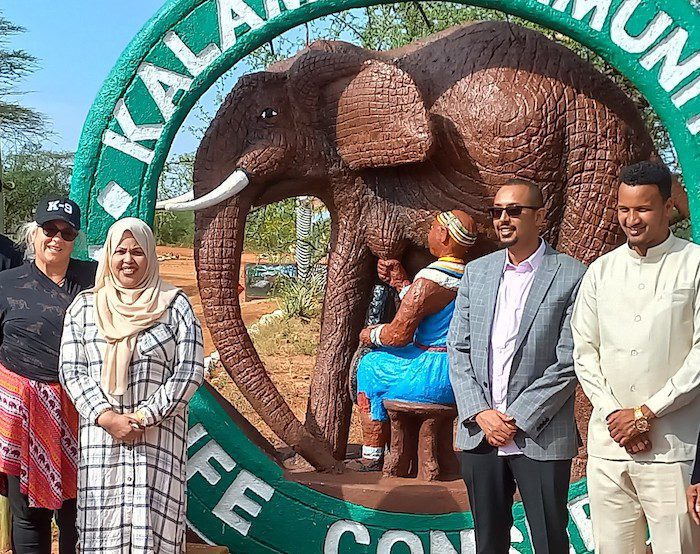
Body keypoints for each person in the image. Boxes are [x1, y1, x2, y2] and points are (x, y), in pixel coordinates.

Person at [447, 179, 586, 554]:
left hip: (539, 436)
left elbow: (568, 360)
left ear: (539, 216)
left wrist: (515, 419)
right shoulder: (477, 273)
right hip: (481, 436)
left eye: (514, 211)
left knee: (549, 542)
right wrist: (481, 413)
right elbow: (457, 350)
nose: (503, 219)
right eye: (497, 212)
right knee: (488, 543)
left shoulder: (573, 275)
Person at [572, 161, 700, 553]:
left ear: (667, 207)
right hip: (609, 447)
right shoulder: (600, 271)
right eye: (624, 209)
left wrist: (645, 414)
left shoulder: (694, 263)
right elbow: (584, 352)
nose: (632, 219)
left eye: (643, 209)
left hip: (672, 447)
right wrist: (616, 416)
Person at [59, 217, 205, 553]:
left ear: (151, 256)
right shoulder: (85, 307)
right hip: (102, 442)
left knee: (156, 529)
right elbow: (72, 370)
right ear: (108, 255)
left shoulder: (175, 306)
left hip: (158, 438)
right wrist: (107, 417)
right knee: (103, 531)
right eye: (120, 251)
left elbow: (190, 369)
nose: (128, 259)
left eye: (138, 252)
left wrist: (145, 417)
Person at [0, 195, 96, 554]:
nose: (57, 238)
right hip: (20, 415)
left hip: (83, 412)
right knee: (28, 516)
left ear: (76, 239)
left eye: (67, 232)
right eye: (49, 229)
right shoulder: (6, 283)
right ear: (33, 233)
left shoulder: (94, 279)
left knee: (78, 512)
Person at [350, 210, 477, 470]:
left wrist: (370, 333)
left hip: (428, 373)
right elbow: (428, 306)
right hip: (458, 372)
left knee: (369, 367)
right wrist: (400, 282)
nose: (430, 233)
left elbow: (398, 335)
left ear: (442, 234)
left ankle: (372, 455)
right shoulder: (470, 276)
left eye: (432, 228)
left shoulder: (431, 280)